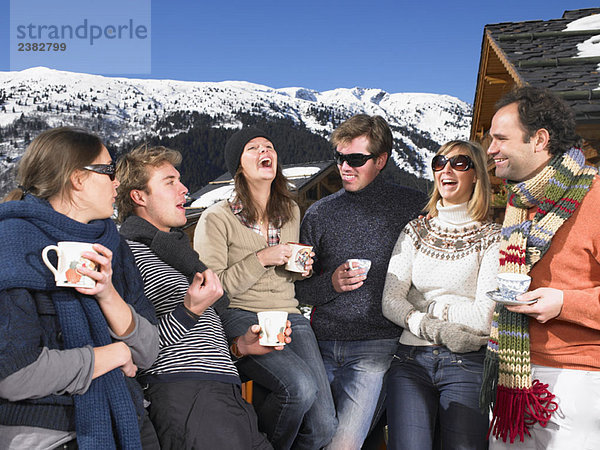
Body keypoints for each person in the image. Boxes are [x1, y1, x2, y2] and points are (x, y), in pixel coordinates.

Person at [116, 144, 293, 449]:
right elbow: (133, 349)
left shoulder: (176, 255)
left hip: (224, 391)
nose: (184, 189)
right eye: (170, 182)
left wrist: (239, 347)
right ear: (139, 196)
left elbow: (199, 340)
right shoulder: (128, 255)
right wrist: (189, 310)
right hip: (184, 394)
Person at [0, 127, 160, 449]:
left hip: (127, 418)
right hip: (48, 430)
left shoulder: (115, 246)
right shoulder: (14, 246)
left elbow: (149, 351)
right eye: (109, 171)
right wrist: (116, 353)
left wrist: (107, 294)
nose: (117, 182)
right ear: (78, 178)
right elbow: (14, 375)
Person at [194, 127, 337, 450]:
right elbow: (213, 288)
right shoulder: (216, 219)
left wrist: (301, 268)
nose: (264, 152)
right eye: (253, 148)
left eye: (269, 147)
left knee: (325, 426)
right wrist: (262, 257)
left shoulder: (291, 212)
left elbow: (287, 278)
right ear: (239, 168)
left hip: (289, 316)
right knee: (299, 388)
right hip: (241, 315)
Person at [295, 114, 428, 449]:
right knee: (309, 437)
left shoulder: (413, 207)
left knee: (342, 445)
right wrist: (332, 284)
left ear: (380, 160)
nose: (344, 167)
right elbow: (298, 287)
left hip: (377, 346)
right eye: (339, 158)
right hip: (320, 345)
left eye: (355, 159)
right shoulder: (318, 214)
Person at [480, 86, 600, 449]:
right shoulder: (520, 202)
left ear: (540, 139)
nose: (490, 150)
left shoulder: (594, 197)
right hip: (511, 376)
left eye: (500, 138)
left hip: (576, 380)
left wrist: (564, 303)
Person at [381, 140, 501, 449]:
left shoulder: (492, 237)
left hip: (467, 363)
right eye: (439, 162)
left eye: (459, 163)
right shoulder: (415, 231)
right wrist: (432, 325)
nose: (446, 169)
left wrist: (423, 304)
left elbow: (484, 317)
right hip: (410, 359)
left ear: (476, 175)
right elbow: (390, 302)